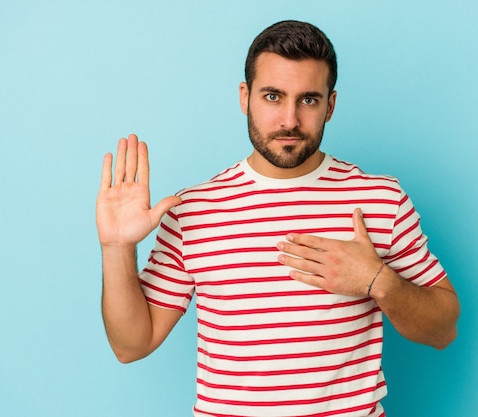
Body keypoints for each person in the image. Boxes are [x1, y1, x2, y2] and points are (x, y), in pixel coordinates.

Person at [96, 20, 459, 417]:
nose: (289, 120)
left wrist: (378, 281)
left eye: (308, 100)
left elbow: (443, 330)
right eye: (272, 96)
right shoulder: (192, 210)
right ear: (245, 96)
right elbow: (131, 345)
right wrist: (117, 248)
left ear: (330, 105)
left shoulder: (380, 200)